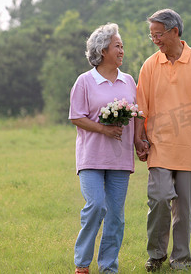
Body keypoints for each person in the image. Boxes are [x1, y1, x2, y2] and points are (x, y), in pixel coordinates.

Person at [134, 9, 191, 272]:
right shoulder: (150, 65)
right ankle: (156, 255)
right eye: (152, 35)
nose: (155, 40)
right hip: (160, 145)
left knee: (183, 209)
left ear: (174, 31)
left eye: (159, 34)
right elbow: (141, 107)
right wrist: (138, 139)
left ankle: (181, 259)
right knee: (160, 198)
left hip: (190, 146)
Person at [69, 23, 136, 274]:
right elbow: (76, 116)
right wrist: (104, 129)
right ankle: (82, 264)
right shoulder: (85, 81)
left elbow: (137, 115)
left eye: (122, 46)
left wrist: (139, 141)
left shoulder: (129, 81)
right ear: (103, 50)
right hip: (91, 157)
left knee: (116, 217)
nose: (121, 51)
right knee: (96, 205)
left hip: (120, 158)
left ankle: (108, 268)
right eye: (117, 46)